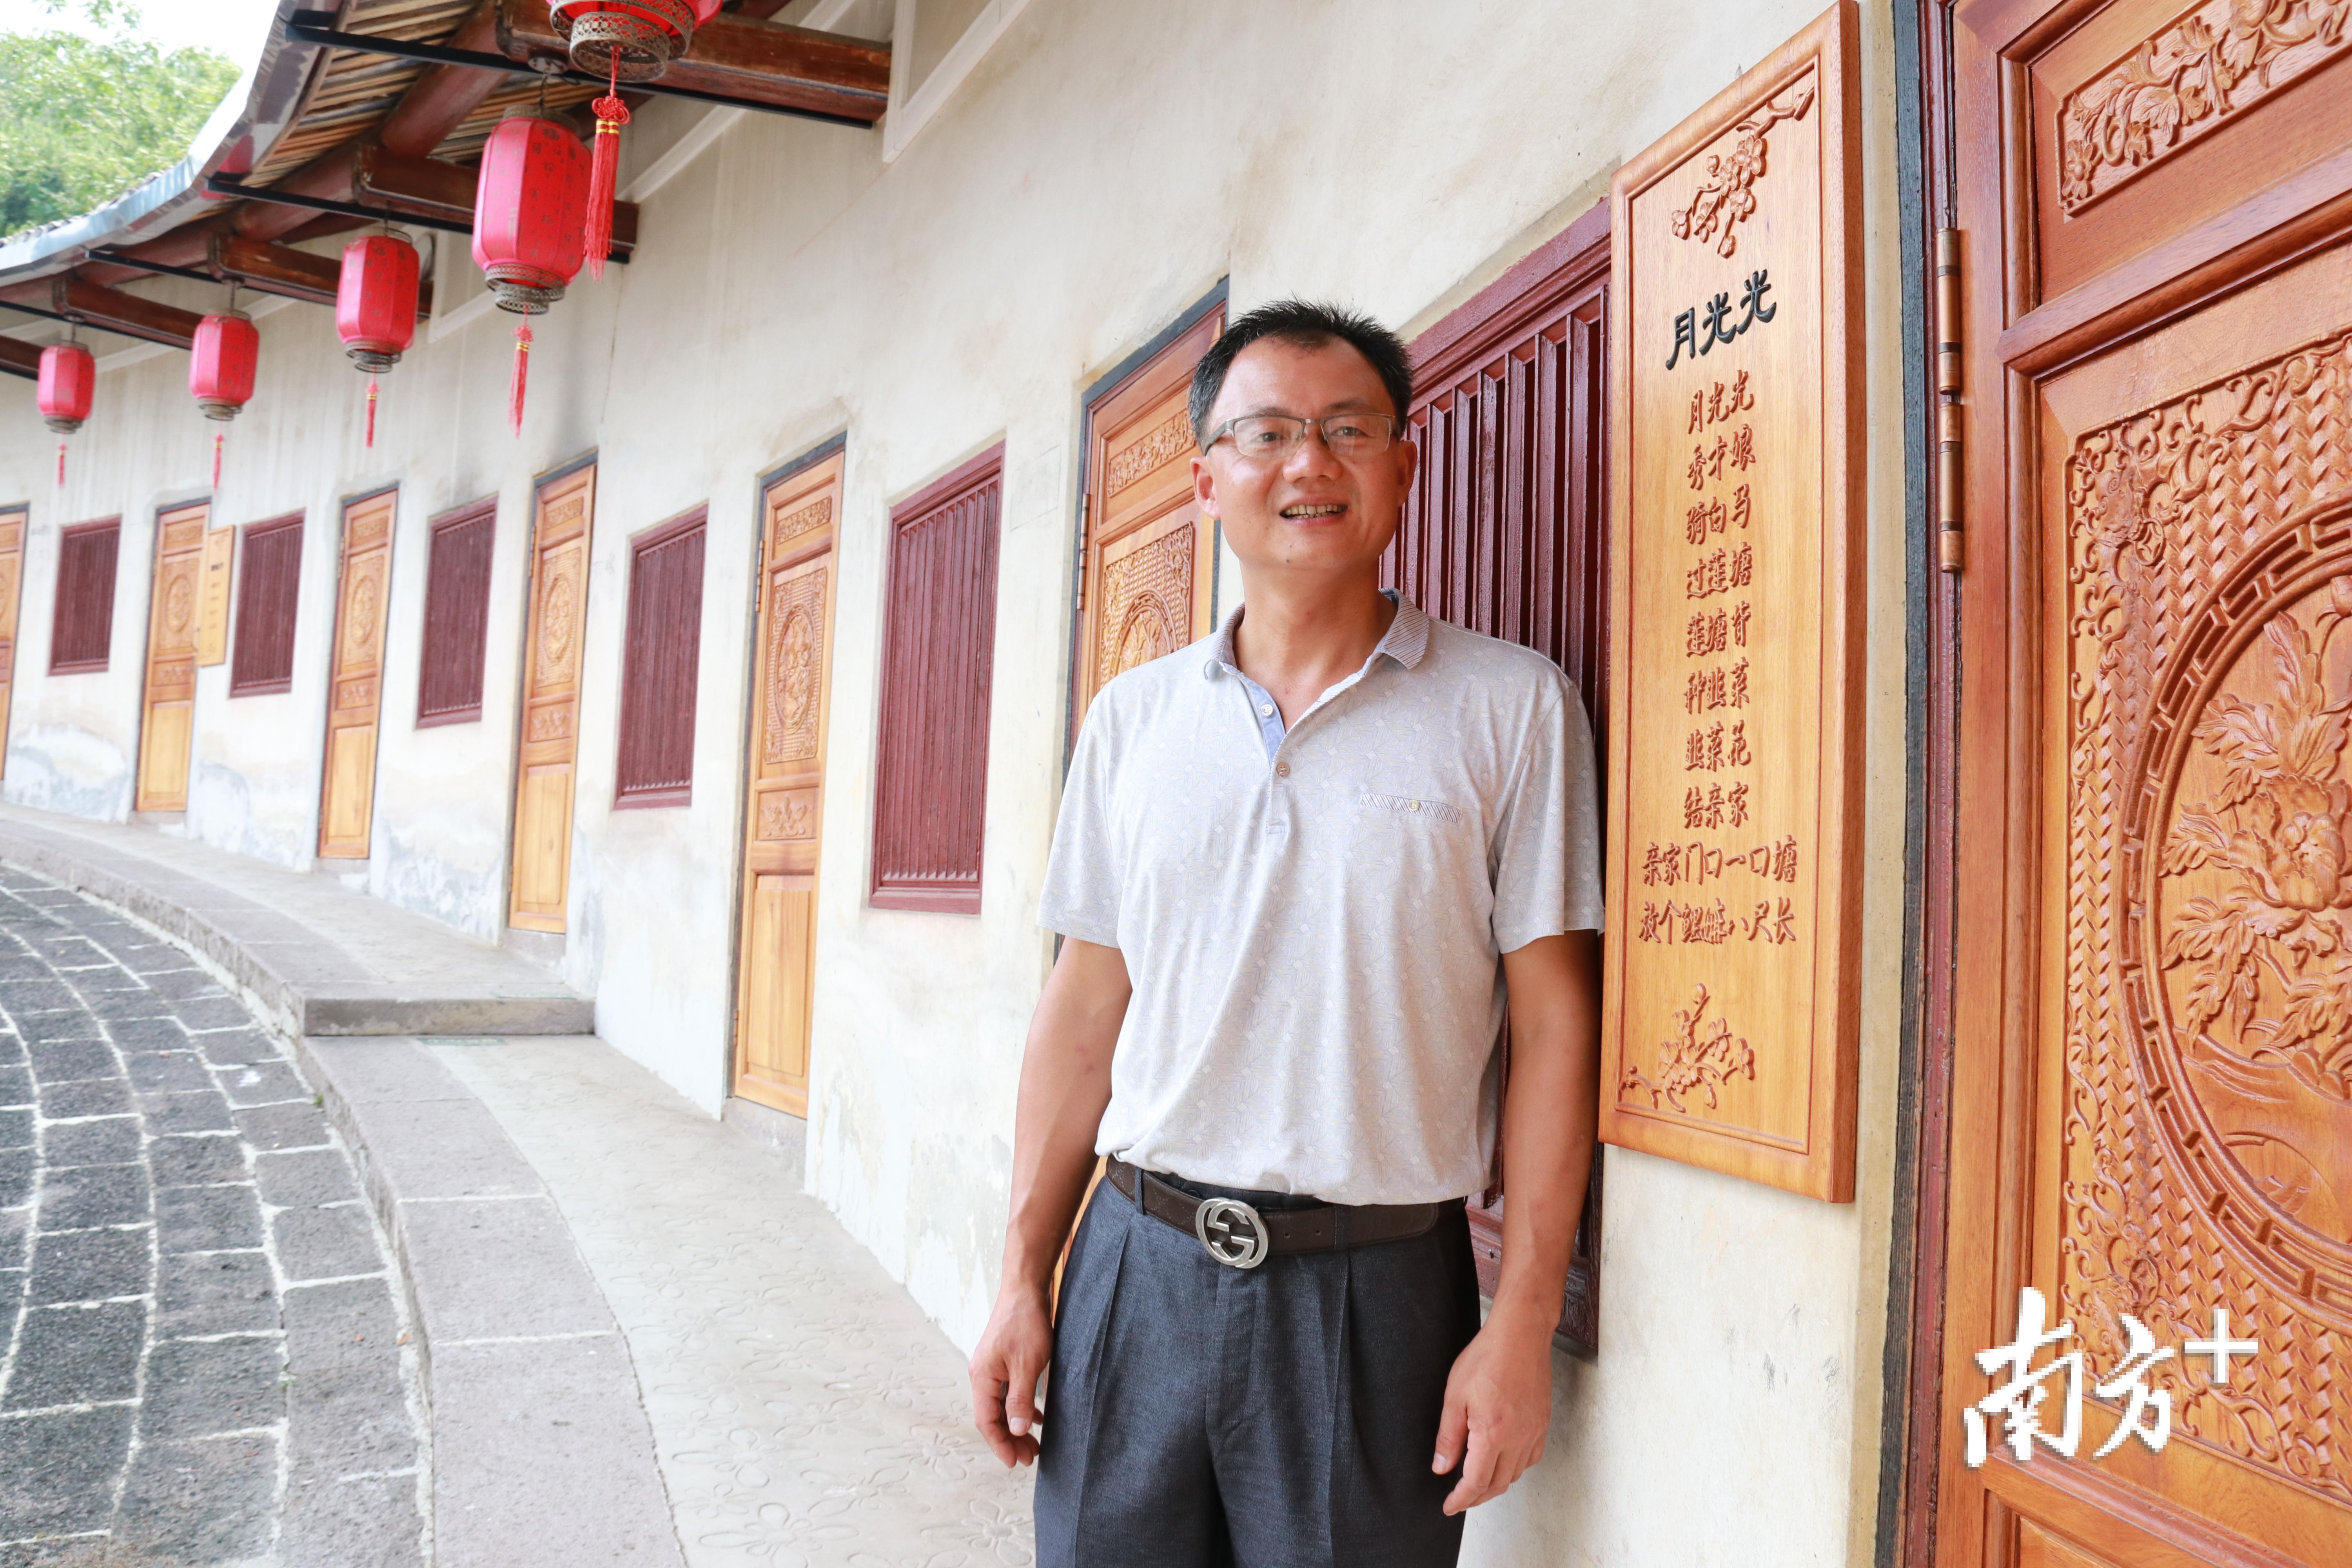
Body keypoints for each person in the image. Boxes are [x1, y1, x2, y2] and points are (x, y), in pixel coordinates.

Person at [969, 299, 1604, 1568]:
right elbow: (1086, 1009)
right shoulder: (1132, 723)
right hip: (1134, 1271)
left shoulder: (1511, 709)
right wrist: (1022, 1277)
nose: (1308, 463)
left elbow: (1553, 1028)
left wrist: (1521, 1317)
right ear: (1207, 481)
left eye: (1347, 429)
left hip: (1374, 1298)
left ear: (1402, 465)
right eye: (1267, 434)